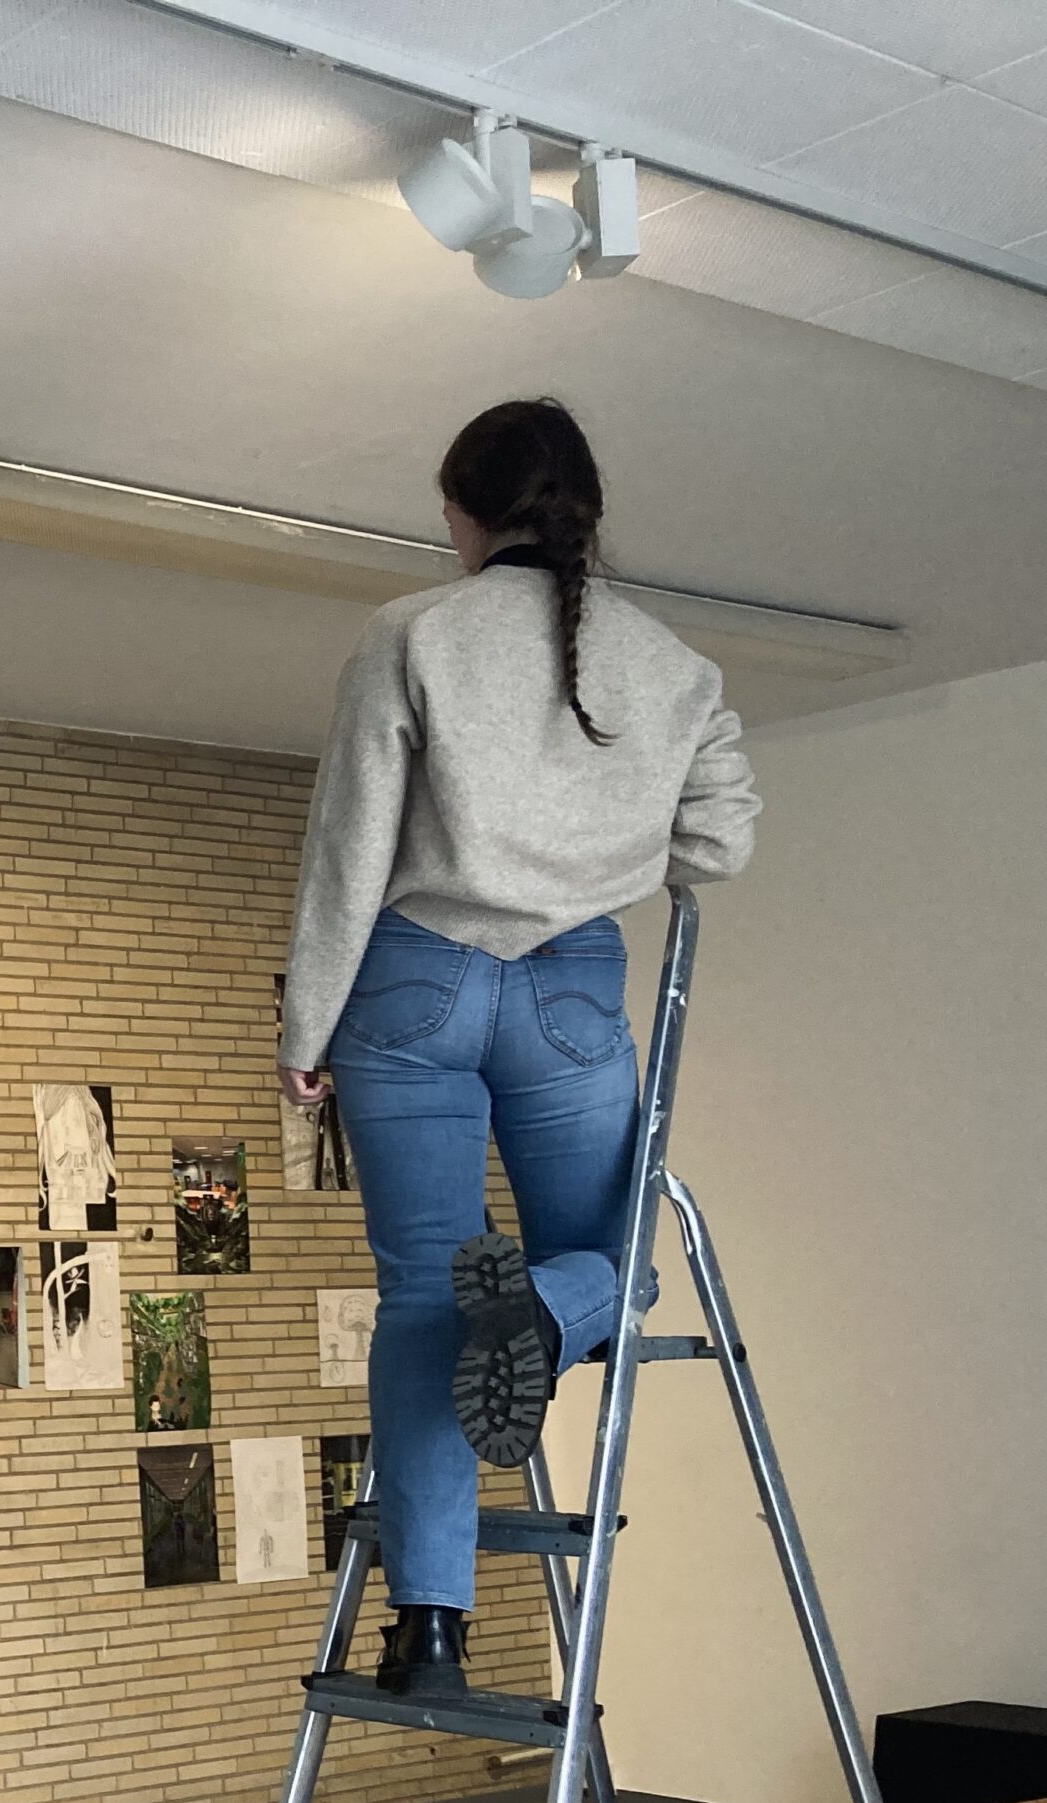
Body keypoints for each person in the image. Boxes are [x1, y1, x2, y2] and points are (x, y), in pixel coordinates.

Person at [278, 398, 760, 1699]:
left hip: (410, 982)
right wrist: (592, 851)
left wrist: (306, 1027)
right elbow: (720, 843)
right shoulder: (675, 668)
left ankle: (429, 1631)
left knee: (422, 1300)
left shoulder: (412, 633)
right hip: (573, 987)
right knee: (617, 1270)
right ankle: (542, 1318)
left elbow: (349, 846)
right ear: (587, 513)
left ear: (463, 513)